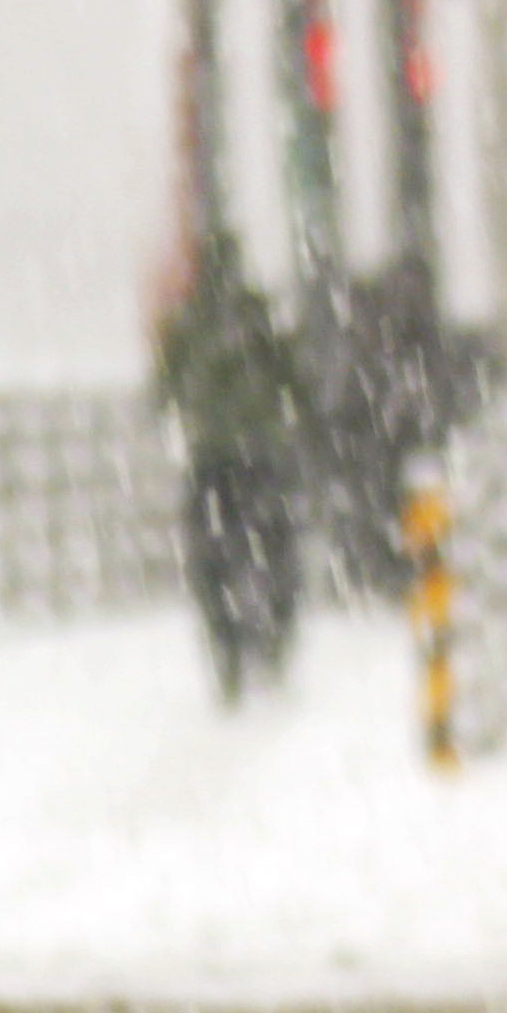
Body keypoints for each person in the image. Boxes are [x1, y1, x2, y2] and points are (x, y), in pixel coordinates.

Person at [156, 239, 307, 705]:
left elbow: (163, 389)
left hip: (211, 460)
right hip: (261, 456)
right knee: (278, 549)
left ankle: (226, 652)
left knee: (210, 562)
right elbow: (294, 380)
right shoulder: (259, 318)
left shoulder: (185, 324)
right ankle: (274, 641)